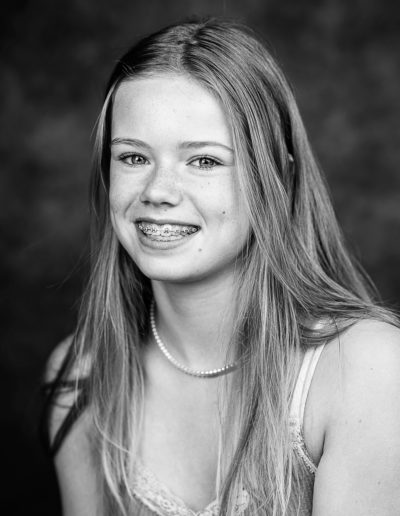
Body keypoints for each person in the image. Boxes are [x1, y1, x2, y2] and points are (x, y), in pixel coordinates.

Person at [42, 17, 400, 516]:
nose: (157, 192)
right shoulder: (82, 378)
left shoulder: (366, 369)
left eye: (204, 161)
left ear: (278, 175)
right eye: (133, 158)